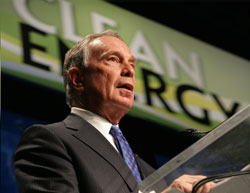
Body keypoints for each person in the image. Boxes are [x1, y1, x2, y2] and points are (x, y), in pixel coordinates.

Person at [14, 30, 214, 193]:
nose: (129, 70)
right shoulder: (51, 141)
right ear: (78, 79)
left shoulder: (146, 169)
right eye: (113, 59)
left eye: (132, 64)